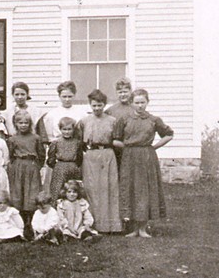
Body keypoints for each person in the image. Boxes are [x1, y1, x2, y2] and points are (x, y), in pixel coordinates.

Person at [113, 88, 173, 238]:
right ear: (132, 103)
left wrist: (153, 147)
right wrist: (128, 147)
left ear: (147, 102)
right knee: (130, 189)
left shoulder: (154, 120)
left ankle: (143, 228)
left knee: (145, 190)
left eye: (142, 102)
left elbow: (169, 135)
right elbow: (115, 140)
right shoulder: (124, 119)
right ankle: (133, 228)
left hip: (147, 157)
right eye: (137, 102)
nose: (140, 106)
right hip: (129, 157)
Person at [79, 89, 122, 233]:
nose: (97, 108)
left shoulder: (112, 121)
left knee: (108, 188)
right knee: (92, 188)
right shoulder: (84, 121)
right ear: (90, 105)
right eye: (94, 105)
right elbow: (80, 141)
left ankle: (111, 225)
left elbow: (117, 140)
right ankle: (92, 225)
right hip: (91, 155)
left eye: (100, 105)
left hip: (108, 155)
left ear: (104, 105)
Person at [6, 110, 44, 235]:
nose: (23, 125)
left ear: (30, 124)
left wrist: (36, 166)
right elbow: (10, 155)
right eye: (20, 123)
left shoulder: (35, 138)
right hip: (18, 166)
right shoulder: (12, 139)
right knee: (18, 192)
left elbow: (41, 155)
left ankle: (30, 223)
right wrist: (14, 166)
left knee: (32, 192)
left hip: (31, 166)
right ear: (15, 124)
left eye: (26, 123)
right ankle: (19, 223)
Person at [47, 117, 83, 199]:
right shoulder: (56, 142)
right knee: (57, 189)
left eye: (69, 129)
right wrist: (58, 166)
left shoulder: (77, 142)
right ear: (60, 129)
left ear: (73, 130)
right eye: (64, 129)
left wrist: (75, 166)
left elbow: (79, 158)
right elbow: (51, 159)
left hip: (73, 168)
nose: (67, 132)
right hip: (60, 168)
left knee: (73, 189)